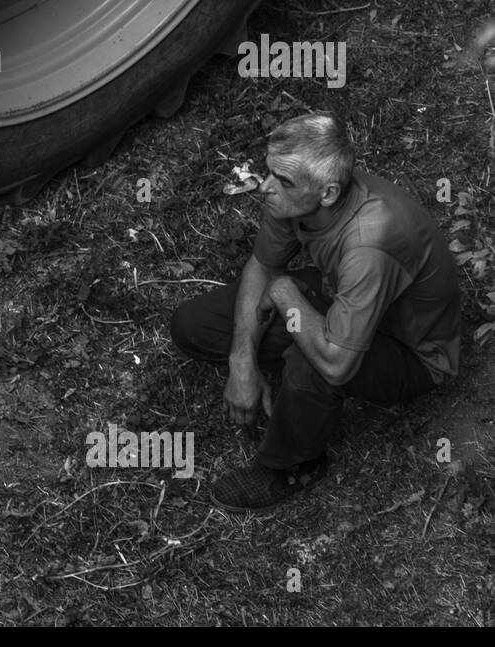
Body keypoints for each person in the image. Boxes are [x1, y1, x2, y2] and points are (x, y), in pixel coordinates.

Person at [169, 113, 461, 512]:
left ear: (327, 193)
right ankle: (283, 361)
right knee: (194, 326)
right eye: (269, 172)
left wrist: (287, 294)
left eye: (283, 181)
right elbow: (263, 265)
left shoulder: (368, 247)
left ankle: (293, 463)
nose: (267, 188)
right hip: (340, 296)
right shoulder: (292, 198)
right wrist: (242, 360)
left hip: (411, 352)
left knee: (313, 357)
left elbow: (337, 364)